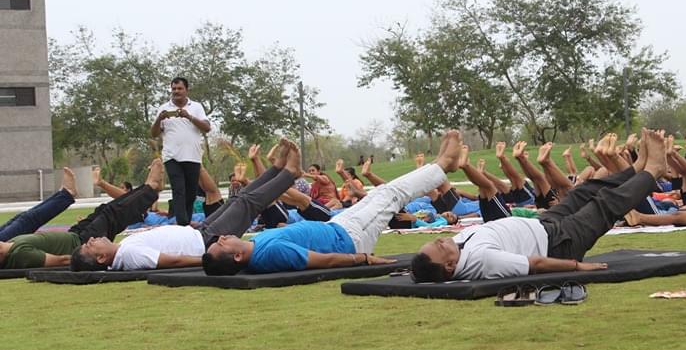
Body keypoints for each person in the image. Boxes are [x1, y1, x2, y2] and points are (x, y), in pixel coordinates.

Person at [411, 129, 669, 282]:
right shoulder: (480, 261)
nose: (439, 241)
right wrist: (577, 267)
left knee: (584, 191)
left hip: (543, 226)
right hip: (559, 244)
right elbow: (535, 264)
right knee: (605, 205)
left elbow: (419, 270)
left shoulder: (458, 249)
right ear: (449, 266)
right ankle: (654, 171)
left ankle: (637, 169)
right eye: (437, 247)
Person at [201, 130, 464, 275]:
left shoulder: (253, 246)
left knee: (379, 194)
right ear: (236, 255)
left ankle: (439, 165)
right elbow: (320, 261)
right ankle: (444, 165)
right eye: (221, 244)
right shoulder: (266, 255)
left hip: (338, 226)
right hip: (350, 238)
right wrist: (361, 258)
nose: (221, 238)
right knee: (390, 195)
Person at [71, 139, 303, 271]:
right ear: (101, 259)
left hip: (197, 234)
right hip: (205, 243)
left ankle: (278, 169)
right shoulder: (129, 255)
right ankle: (289, 173)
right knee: (246, 203)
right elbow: (173, 261)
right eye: (90, 247)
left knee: (238, 199)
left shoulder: (123, 250)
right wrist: (204, 260)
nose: (91, 240)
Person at [2, 162, 163, 270]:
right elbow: (63, 261)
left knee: (104, 209)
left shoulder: (12, 246)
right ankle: (151, 187)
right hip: (82, 244)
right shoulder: (20, 255)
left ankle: (150, 189)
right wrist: (87, 257)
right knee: (112, 214)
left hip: (73, 235)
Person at [150, 77, 211, 226]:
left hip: (192, 156)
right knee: (178, 189)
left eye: (179, 88)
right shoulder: (164, 107)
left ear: (186, 90)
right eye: (174, 89)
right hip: (172, 156)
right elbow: (153, 133)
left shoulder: (196, 107)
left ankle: (186, 222)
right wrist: (159, 119)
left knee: (191, 192)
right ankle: (182, 224)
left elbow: (207, 127)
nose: (176, 92)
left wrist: (188, 116)